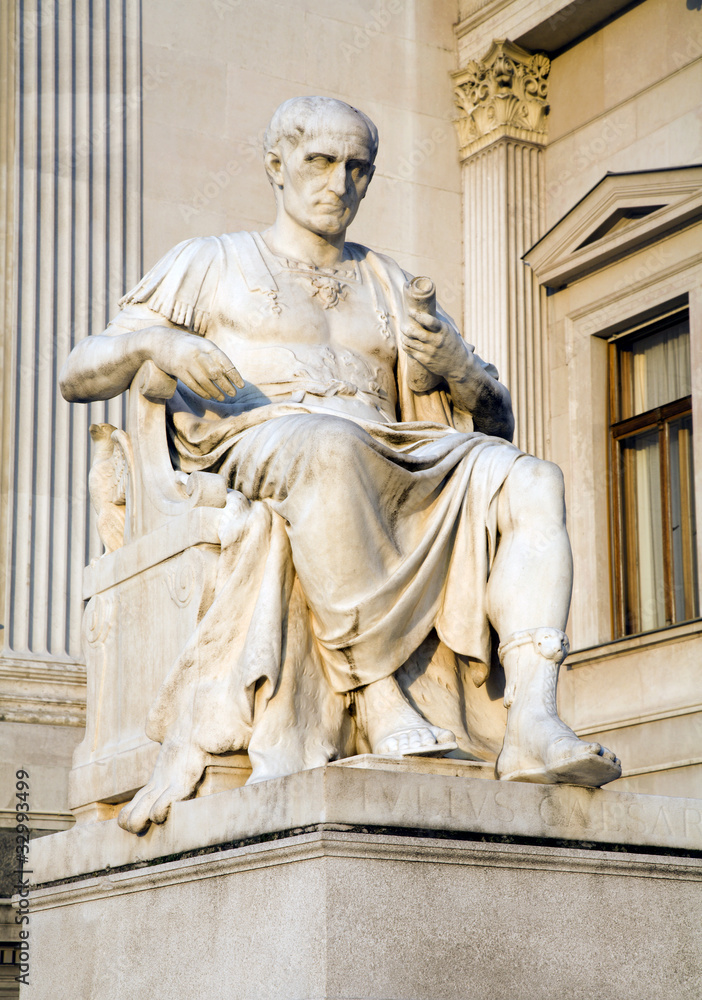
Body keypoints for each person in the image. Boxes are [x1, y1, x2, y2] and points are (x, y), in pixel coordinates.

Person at [61, 96, 620, 835]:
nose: (339, 184)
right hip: (260, 441)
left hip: (392, 451)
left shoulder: (388, 282)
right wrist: (154, 347)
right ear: (277, 167)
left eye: (357, 169)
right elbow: (79, 370)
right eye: (320, 162)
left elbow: (494, 421)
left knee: (531, 477)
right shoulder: (211, 262)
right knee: (329, 445)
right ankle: (380, 692)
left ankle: (534, 718)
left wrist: (462, 371)